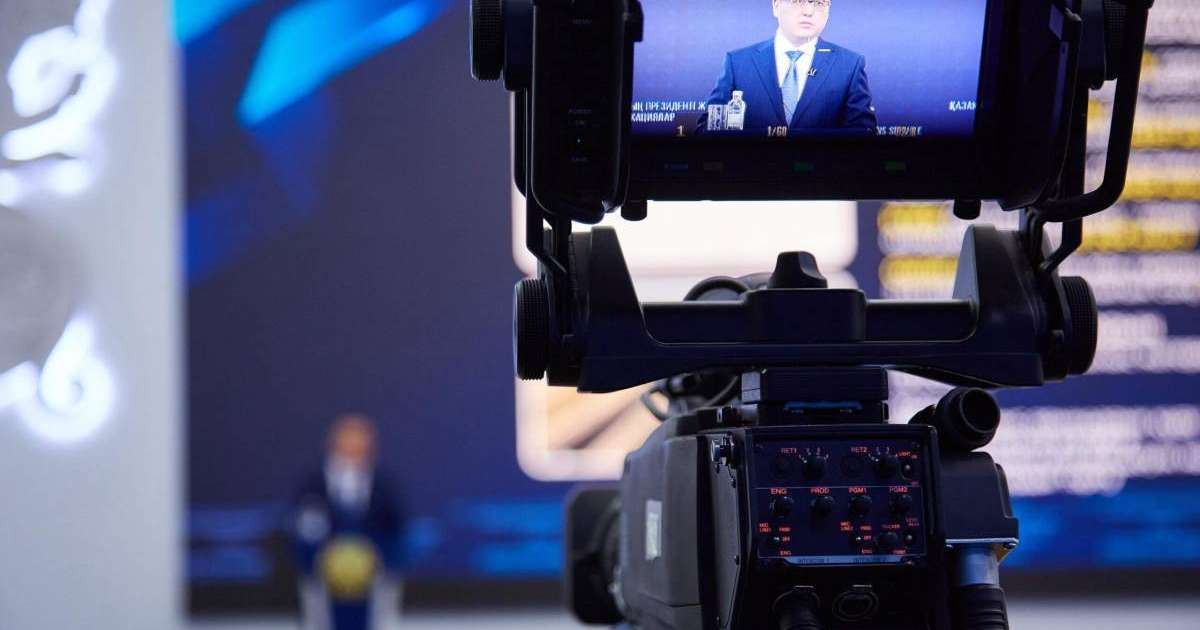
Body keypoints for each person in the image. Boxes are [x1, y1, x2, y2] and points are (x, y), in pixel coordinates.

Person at [291, 414, 404, 630]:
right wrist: (323, 558)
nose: (354, 444)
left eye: (360, 438)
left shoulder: (384, 484)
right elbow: (303, 526)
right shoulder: (313, 484)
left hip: (375, 577)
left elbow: (396, 527)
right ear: (333, 442)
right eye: (348, 437)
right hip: (322, 577)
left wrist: (377, 557)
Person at [698, 0, 876, 135]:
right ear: (776, 6)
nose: (808, 11)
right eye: (797, 1)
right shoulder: (738, 62)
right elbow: (707, 128)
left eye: (819, 3)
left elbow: (863, 135)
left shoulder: (850, 65)